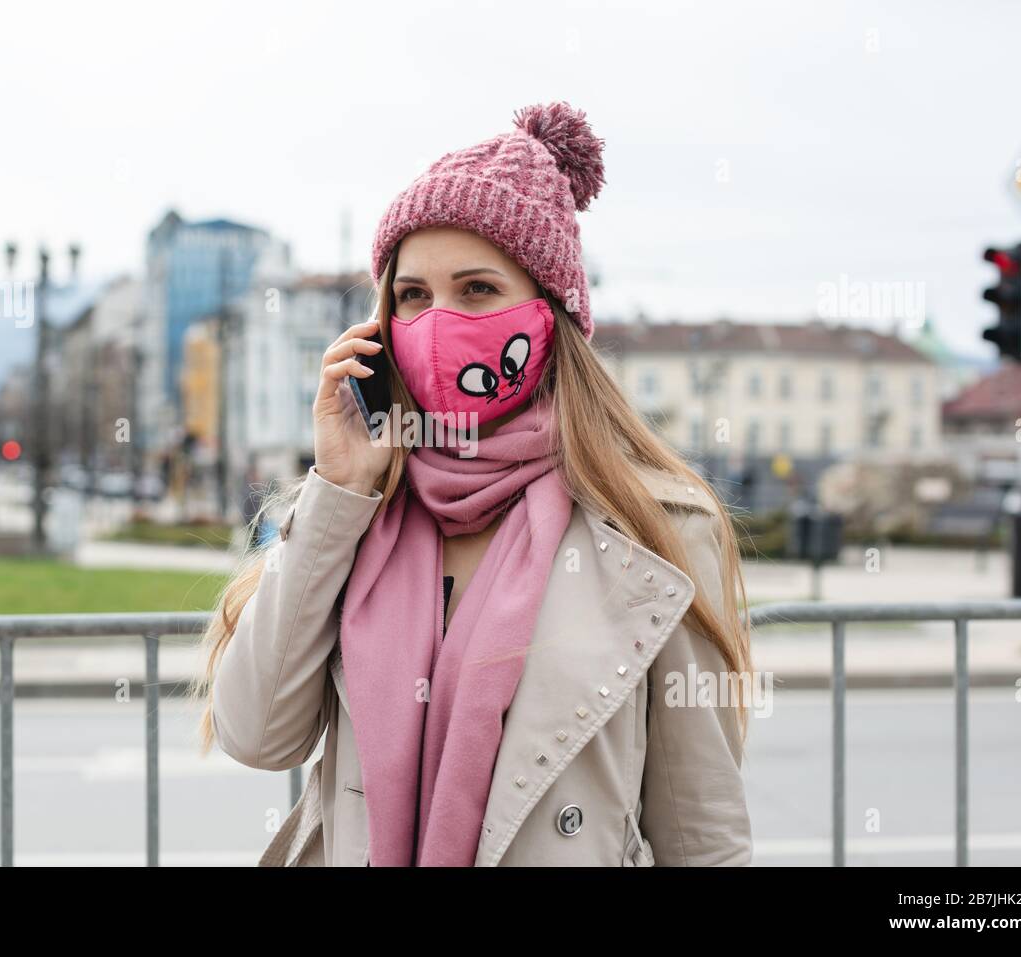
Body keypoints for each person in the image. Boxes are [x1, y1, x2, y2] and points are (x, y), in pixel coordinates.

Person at [194, 102, 754, 867]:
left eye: (478, 289)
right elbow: (257, 733)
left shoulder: (656, 528)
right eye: (414, 296)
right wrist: (337, 487)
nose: (437, 321)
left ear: (549, 315)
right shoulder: (357, 509)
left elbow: (703, 837)